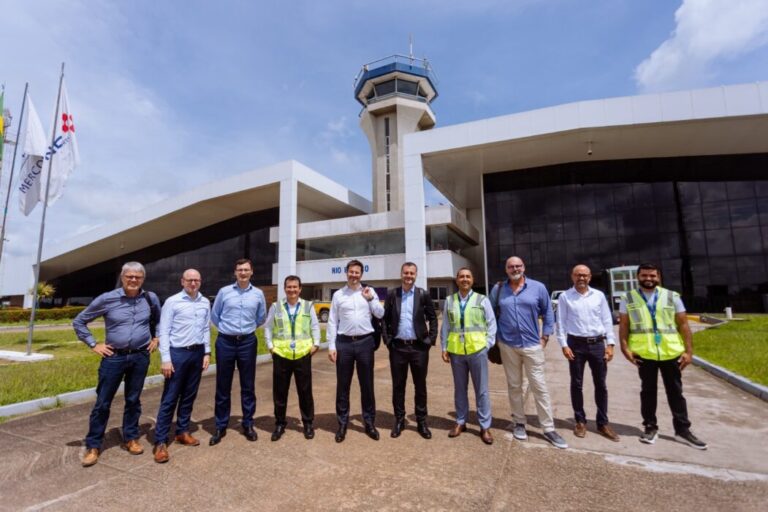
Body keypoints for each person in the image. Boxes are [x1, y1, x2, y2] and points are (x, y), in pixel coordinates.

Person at [73, 261, 161, 468]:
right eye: (129, 276)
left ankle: (130, 438)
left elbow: (159, 319)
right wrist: (94, 344)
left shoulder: (150, 298)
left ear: (143, 279)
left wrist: (156, 337)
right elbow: (79, 321)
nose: (133, 280)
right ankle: (93, 445)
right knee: (103, 402)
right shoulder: (107, 299)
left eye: (137, 277)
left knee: (133, 399)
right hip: (114, 357)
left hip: (140, 356)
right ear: (122, 278)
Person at [619, 263, 707, 450]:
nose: (648, 279)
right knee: (648, 392)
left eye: (652, 275)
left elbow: (683, 324)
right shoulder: (628, 298)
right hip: (644, 353)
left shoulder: (671, 296)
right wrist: (625, 348)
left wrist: (688, 352)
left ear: (658, 277)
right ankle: (650, 427)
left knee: (675, 392)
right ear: (638, 277)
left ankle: (683, 430)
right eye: (644, 275)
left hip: (670, 352)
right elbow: (624, 326)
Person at [490, 256, 568, 449]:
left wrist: (545, 336)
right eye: (511, 266)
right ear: (506, 269)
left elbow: (548, 313)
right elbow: (490, 314)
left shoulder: (538, 288)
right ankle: (519, 423)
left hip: (533, 344)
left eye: (518, 266)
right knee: (514, 386)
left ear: (524, 267)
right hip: (507, 345)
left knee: (539, 386)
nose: (515, 268)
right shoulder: (498, 289)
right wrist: (495, 339)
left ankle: (548, 428)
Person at [152, 269, 211, 463]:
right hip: (177, 354)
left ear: (200, 282)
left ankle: (182, 432)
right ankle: (160, 441)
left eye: (196, 280)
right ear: (182, 282)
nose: (193, 283)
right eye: (189, 280)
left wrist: (207, 352)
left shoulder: (204, 302)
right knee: (170, 397)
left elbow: (205, 328)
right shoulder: (172, 301)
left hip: (197, 353)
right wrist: (166, 359)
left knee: (189, 395)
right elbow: (164, 331)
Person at [556, 264, 619, 442]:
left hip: (598, 344)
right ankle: (580, 421)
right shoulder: (565, 297)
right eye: (578, 275)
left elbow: (607, 320)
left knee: (601, 384)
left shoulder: (598, 296)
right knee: (576, 384)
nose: (581, 278)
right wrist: (563, 345)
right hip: (575, 345)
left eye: (584, 275)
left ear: (590, 277)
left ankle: (602, 422)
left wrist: (610, 344)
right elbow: (560, 322)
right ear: (572, 276)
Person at [209, 258, 266, 445]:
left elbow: (260, 318)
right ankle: (220, 425)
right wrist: (229, 330)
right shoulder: (224, 292)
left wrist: (244, 331)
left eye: (246, 270)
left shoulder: (258, 294)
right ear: (235, 272)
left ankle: (248, 423)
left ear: (251, 272)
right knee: (223, 385)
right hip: (225, 341)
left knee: (247, 385)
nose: (243, 273)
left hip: (247, 342)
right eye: (240, 269)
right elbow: (215, 316)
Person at [327, 259, 384, 442]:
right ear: (346, 273)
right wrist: (331, 345)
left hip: (365, 343)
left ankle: (369, 423)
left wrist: (370, 299)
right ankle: (342, 423)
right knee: (343, 385)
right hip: (344, 343)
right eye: (351, 272)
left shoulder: (369, 292)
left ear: (361, 274)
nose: (354, 275)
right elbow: (332, 322)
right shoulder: (338, 295)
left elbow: (380, 313)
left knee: (367, 384)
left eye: (357, 272)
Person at [441, 267, 497, 445]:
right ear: (457, 280)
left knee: (482, 390)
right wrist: (444, 347)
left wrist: (487, 345)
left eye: (468, 276)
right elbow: (446, 327)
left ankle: (484, 426)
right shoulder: (449, 300)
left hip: (477, 350)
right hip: (456, 352)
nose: (464, 279)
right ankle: (460, 421)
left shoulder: (482, 299)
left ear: (472, 280)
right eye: (461, 277)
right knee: (459, 389)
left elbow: (491, 323)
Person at [382, 262, 438, 439]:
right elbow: (384, 320)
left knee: (420, 386)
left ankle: (421, 421)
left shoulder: (423, 294)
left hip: (419, 348)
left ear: (416, 275)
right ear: (401, 274)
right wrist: (387, 340)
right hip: (397, 347)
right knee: (398, 386)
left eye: (412, 273)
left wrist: (430, 340)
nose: (408, 276)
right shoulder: (392, 294)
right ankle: (399, 420)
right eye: (406, 273)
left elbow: (433, 318)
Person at [264, 275, 321, 441]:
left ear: (300, 288)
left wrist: (316, 344)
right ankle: (280, 423)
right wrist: (270, 346)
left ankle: (308, 423)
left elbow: (315, 326)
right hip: (281, 355)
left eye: (295, 287)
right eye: (289, 287)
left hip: (303, 354)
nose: (292, 290)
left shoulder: (307, 306)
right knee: (280, 392)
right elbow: (268, 327)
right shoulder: (276, 307)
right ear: (284, 288)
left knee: (305, 391)